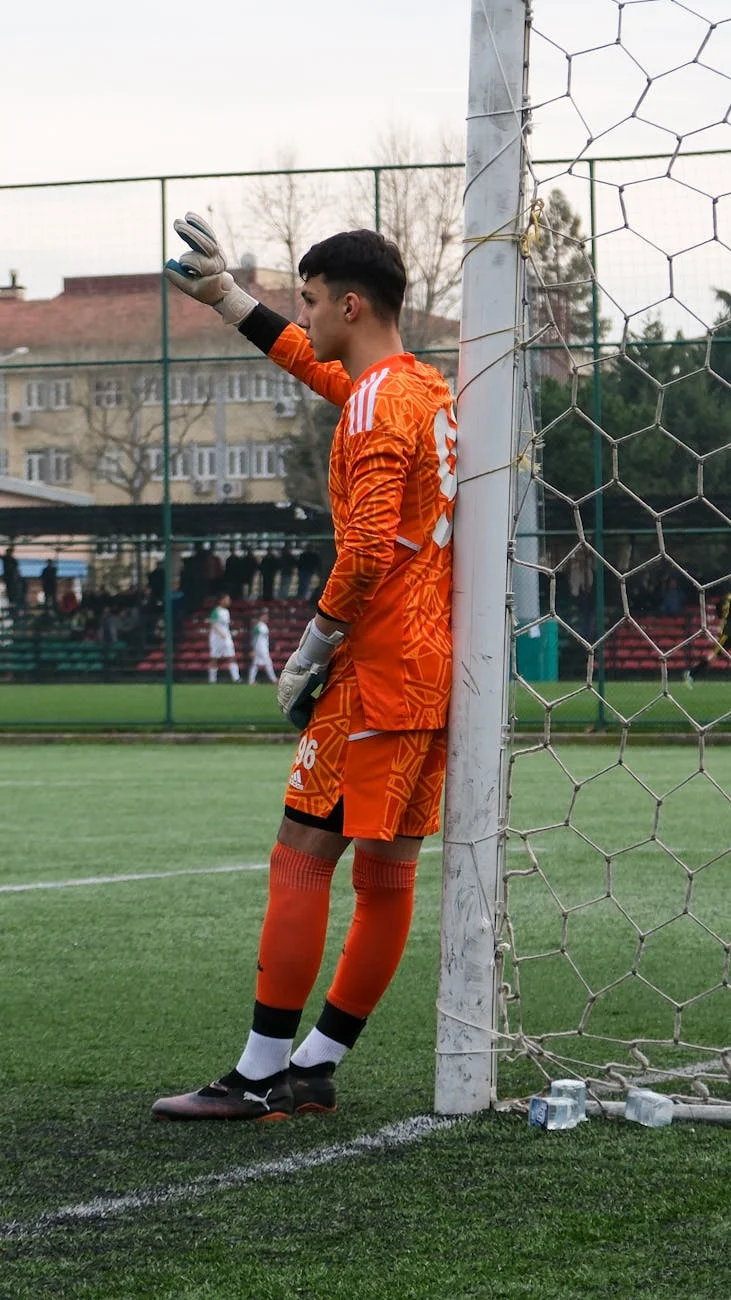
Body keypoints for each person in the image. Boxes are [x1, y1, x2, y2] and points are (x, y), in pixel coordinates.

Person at [152, 213, 456, 1122]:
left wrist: (309, 649)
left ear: (350, 303)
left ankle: (254, 1077)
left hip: (371, 673)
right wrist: (233, 303)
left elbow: (364, 549)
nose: (307, 315)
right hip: (431, 667)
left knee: (299, 863)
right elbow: (328, 372)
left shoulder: (375, 404)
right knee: (388, 876)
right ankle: (316, 1064)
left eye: (312, 301)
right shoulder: (426, 391)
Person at [684, 591, 730, 687]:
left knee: (714, 656)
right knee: (714, 655)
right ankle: (692, 673)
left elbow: (720, 613)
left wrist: (723, 623)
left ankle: (692, 673)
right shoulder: (727, 598)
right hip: (728, 633)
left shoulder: (726, 597)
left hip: (727, 630)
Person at [206, 591, 241, 683]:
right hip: (216, 639)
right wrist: (220, 632)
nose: (229, 601)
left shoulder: (227, 611)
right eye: (227, 599)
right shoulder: (216, 611)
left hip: (226, 638)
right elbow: (213, 623)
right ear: (221, 600)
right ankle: (212, 680)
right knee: (214, 658)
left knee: (231, 656)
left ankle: (236, 678)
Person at [248, 609, 277, 685]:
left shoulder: (264, 626)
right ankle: (273, 679)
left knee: (255, 664)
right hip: (260, 648)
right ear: (261, 616)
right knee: (268, 662)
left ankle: (251, 681)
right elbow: (254, 638)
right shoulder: (258, 626)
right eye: (265, 616)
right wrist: (252, 649)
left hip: (263, 647)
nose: (267, 618)